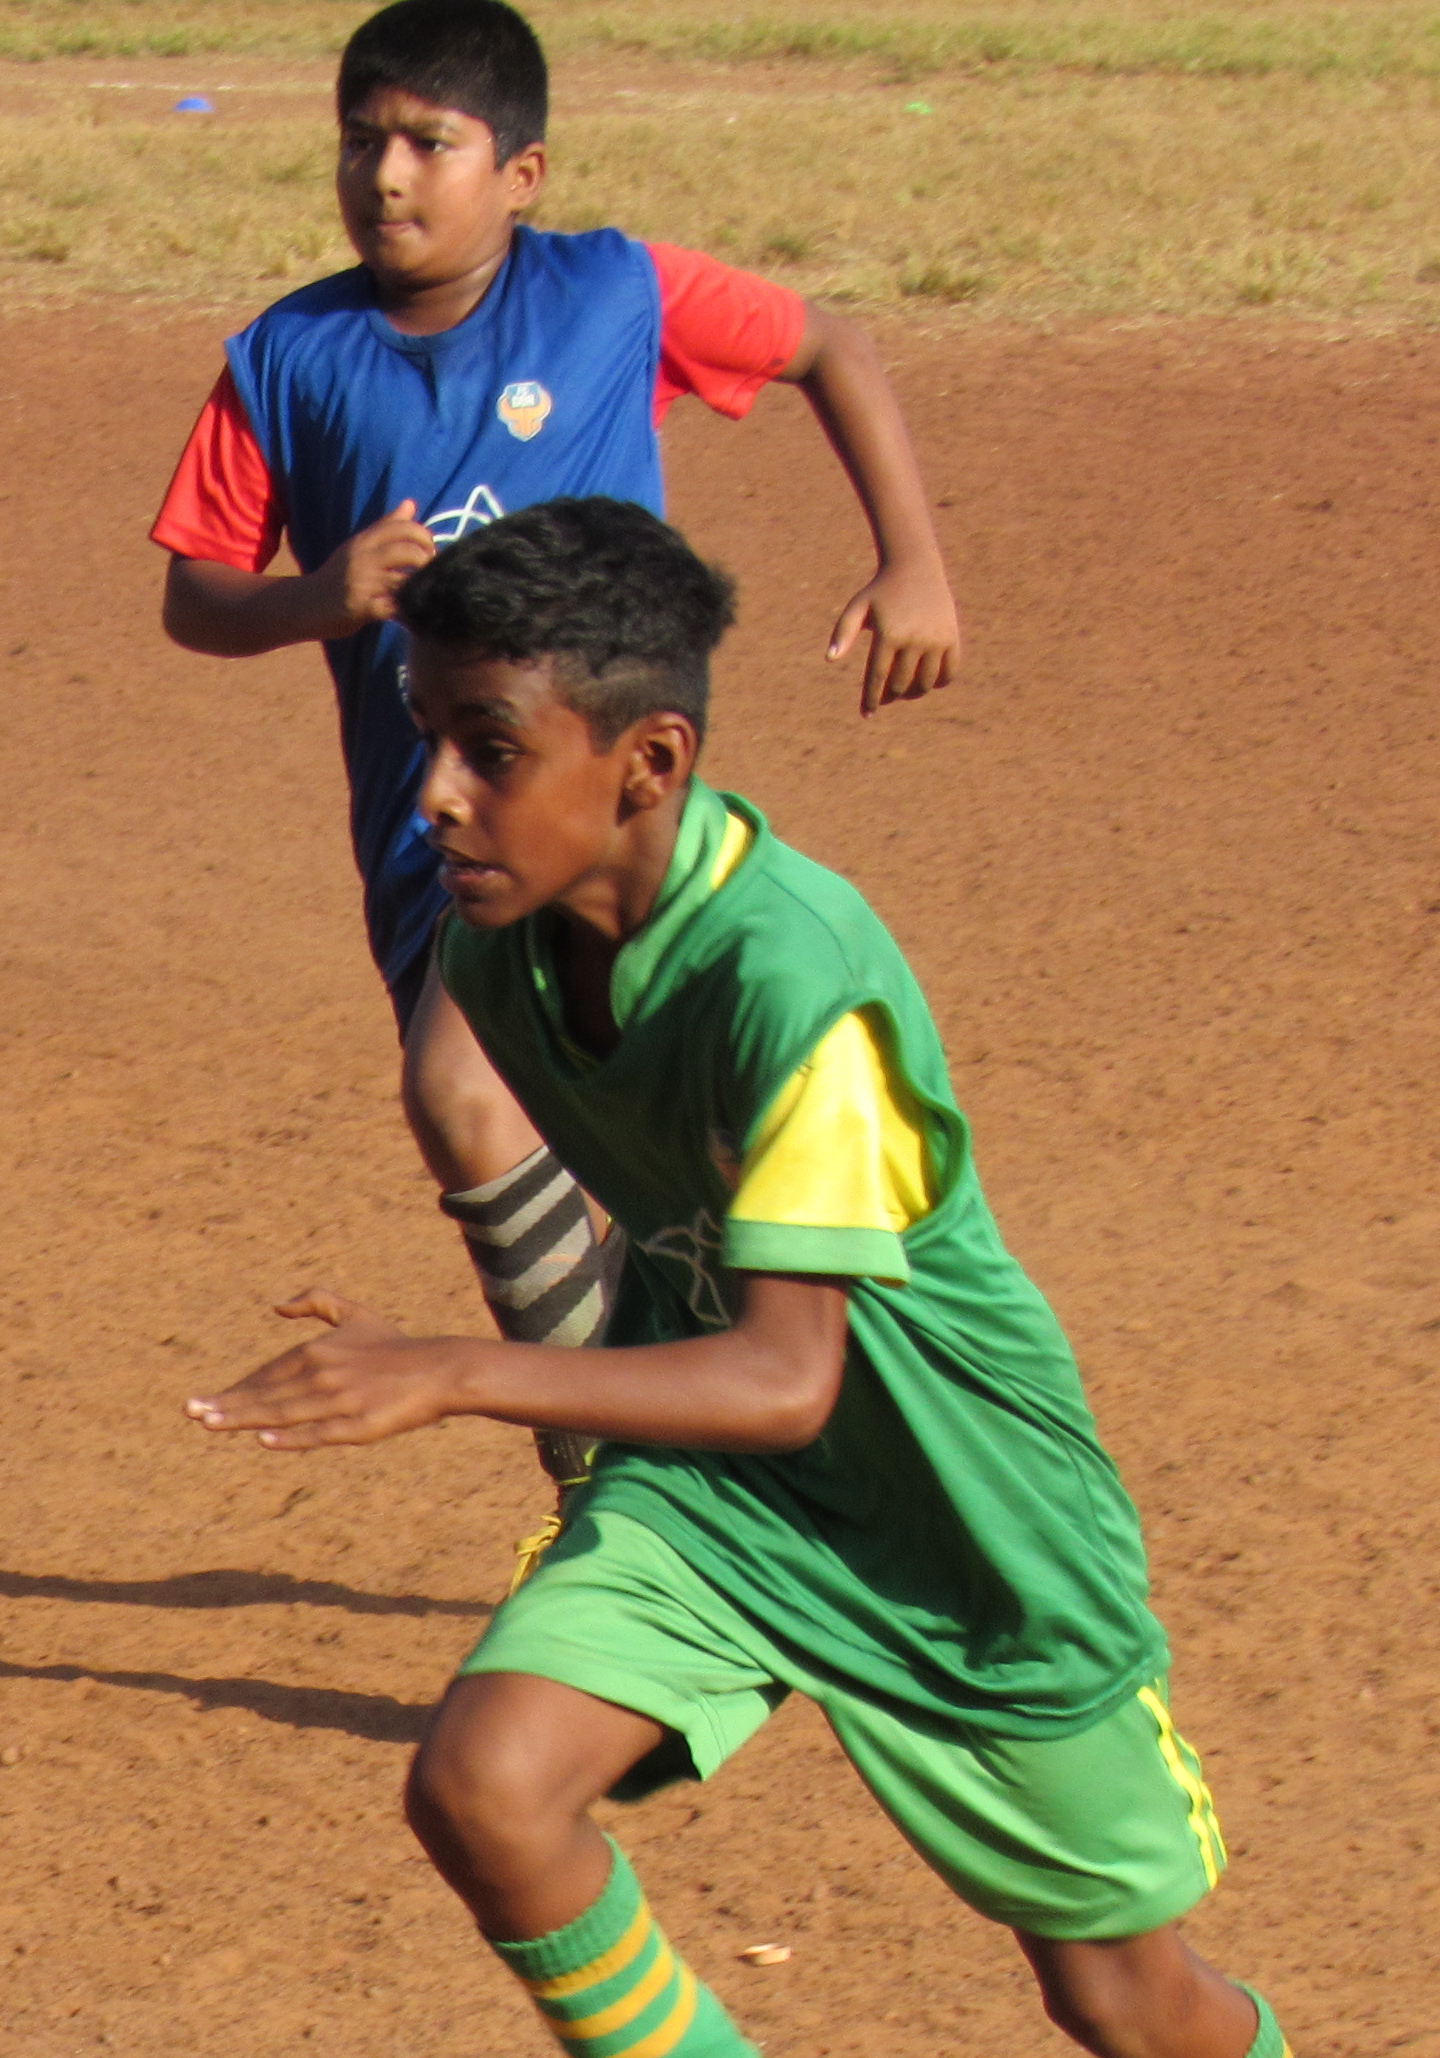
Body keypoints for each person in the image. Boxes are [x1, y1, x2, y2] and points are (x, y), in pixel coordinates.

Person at [188, 500, 1440, 2058]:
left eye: (485, 747)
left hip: (961, 1522)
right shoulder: (497, 932)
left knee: (1122, 1996)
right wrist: (494, 1330)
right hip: (724, 1487)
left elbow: (802, 1369)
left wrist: (452, 1366)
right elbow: (589, 1216)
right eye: (420, 730)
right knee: (486, 1781)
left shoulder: (807, 981)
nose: (433, 789)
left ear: (652, 764)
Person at [152, 0, 955, 1426]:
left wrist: (914, 562)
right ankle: (631, 1449)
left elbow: (832, 345)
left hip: (613, 822)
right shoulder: (285, 358)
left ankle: (631, 1449)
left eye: (428, 143)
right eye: (361, 140)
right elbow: (195, 593)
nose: (385, 175)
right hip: (438, 840)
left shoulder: (612, 294)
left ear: (521, 174)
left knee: (494, 1106)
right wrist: (313, 599)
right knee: (508, 1128)